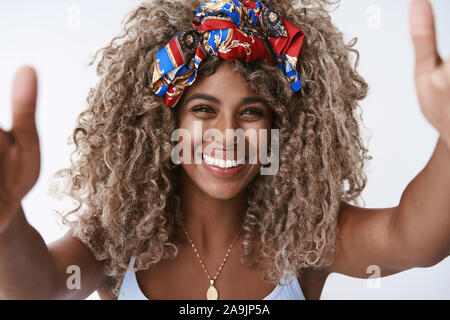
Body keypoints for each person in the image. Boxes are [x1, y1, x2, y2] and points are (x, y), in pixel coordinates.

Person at [0, 0, 449, 300]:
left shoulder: (308, 238)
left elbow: (412, 240)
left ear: (282, 127)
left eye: (252, 112)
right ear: (165, 120)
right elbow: (36, 288)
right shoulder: (117, 242)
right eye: (203, 109)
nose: (228, 134)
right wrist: (7, 221)